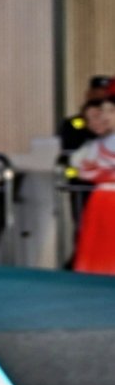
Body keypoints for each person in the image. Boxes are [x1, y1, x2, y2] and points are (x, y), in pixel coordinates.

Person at [69, 94, 115, 275]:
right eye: (103, 111)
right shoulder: (97, 144)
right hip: (101, 200)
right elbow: (83, 170)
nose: (105, 116)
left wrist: (102, 172)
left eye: (111, 111)